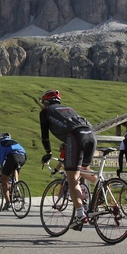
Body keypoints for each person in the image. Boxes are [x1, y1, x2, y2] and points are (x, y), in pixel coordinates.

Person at [39, 90, 96, 231]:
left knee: (72, 178)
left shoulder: (45, 112)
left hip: (76, 137)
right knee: (84, 169)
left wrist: (48, 153)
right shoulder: (69, 109)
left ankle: (79, 215)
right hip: (91, 134)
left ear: (46, 103)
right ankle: (105, 184)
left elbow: (44, 136)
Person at [0, 133, 27, 210]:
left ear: (0, 138)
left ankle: (8, 202)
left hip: (13, 157)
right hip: (23, 157)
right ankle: (16, 184)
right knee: (15, 169)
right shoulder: (14, 141)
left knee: (4, 179)